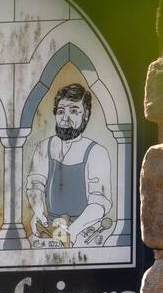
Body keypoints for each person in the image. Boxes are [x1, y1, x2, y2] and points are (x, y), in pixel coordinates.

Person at [26, 83, 112, 246]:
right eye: (60, 111)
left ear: (85, 114)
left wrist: (72, 231)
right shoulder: (44, 147)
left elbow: (99, 203)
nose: (65, 118)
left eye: (73, 111)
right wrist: (38, 213)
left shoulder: (96, 152)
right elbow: (35, 184)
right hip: (50, 229)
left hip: (83, 232)